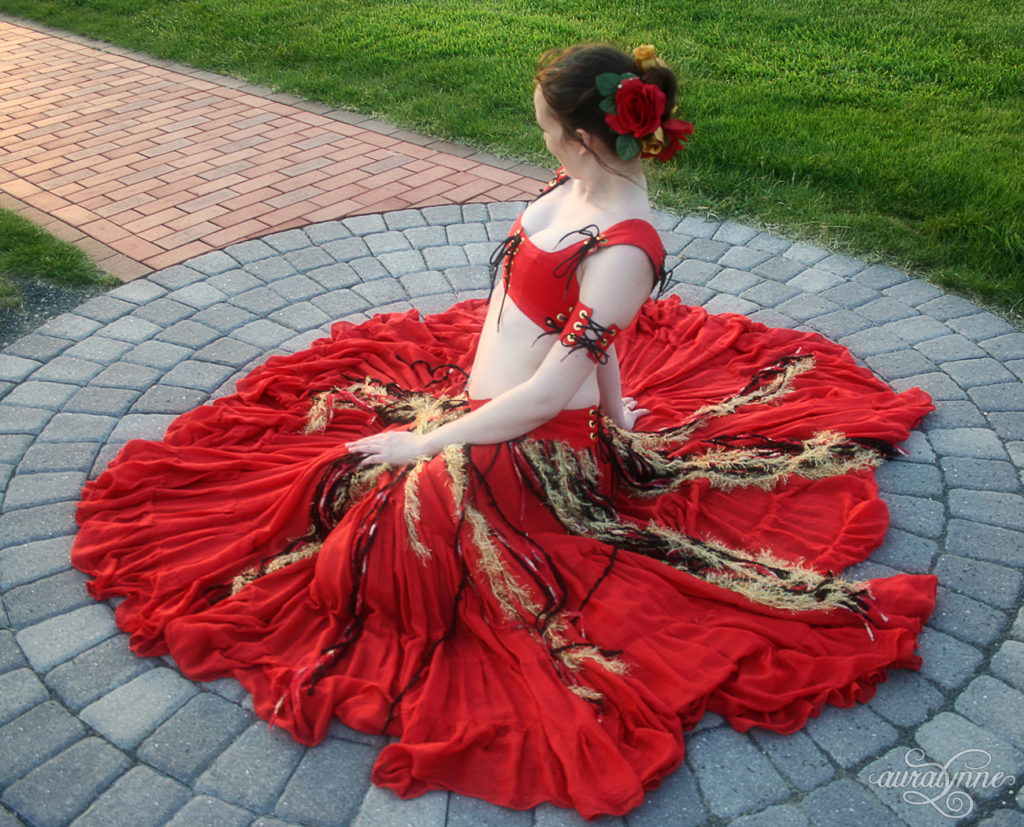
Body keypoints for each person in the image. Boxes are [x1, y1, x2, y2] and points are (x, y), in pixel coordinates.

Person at [73, 44, 937, 819]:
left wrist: (427, 444)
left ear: (586, 137)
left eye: (546, 127)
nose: (540, 139)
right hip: (481, 407)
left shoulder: (627, 247)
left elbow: (546, 389)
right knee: (329, 489)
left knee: (379, 540)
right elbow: (582, 338)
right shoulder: (574, 187)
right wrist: (621, 400)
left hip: (529, 453)